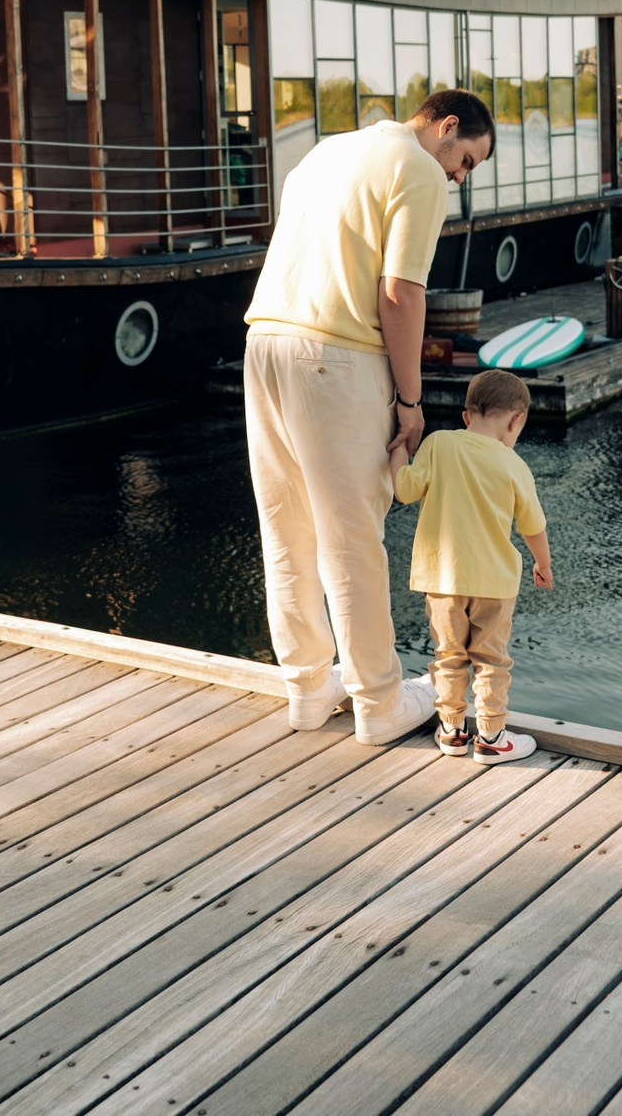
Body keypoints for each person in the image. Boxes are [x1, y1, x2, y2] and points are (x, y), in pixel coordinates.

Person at [244, 88, 494, 745]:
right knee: (352, 532)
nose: (459, 177)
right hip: (335, 354)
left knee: (286, 528)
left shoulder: (327, 151)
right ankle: (379, 701)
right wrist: (410, 402)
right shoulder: (417, 168)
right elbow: (401, 294)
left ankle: (305, 687)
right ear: (446, 128)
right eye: (466, 160)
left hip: (264, 343)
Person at [392, 368, 551, 763]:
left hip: (442, 578)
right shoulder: (514, 464)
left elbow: (404, 489)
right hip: (495, 582)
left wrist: (397, 448)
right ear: (517, 420)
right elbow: (533, 525)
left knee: (448, 655)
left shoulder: (440, 444)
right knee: (492, 660)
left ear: (467, 415)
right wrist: (542, 564)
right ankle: (493, 737)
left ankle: (451, 731)